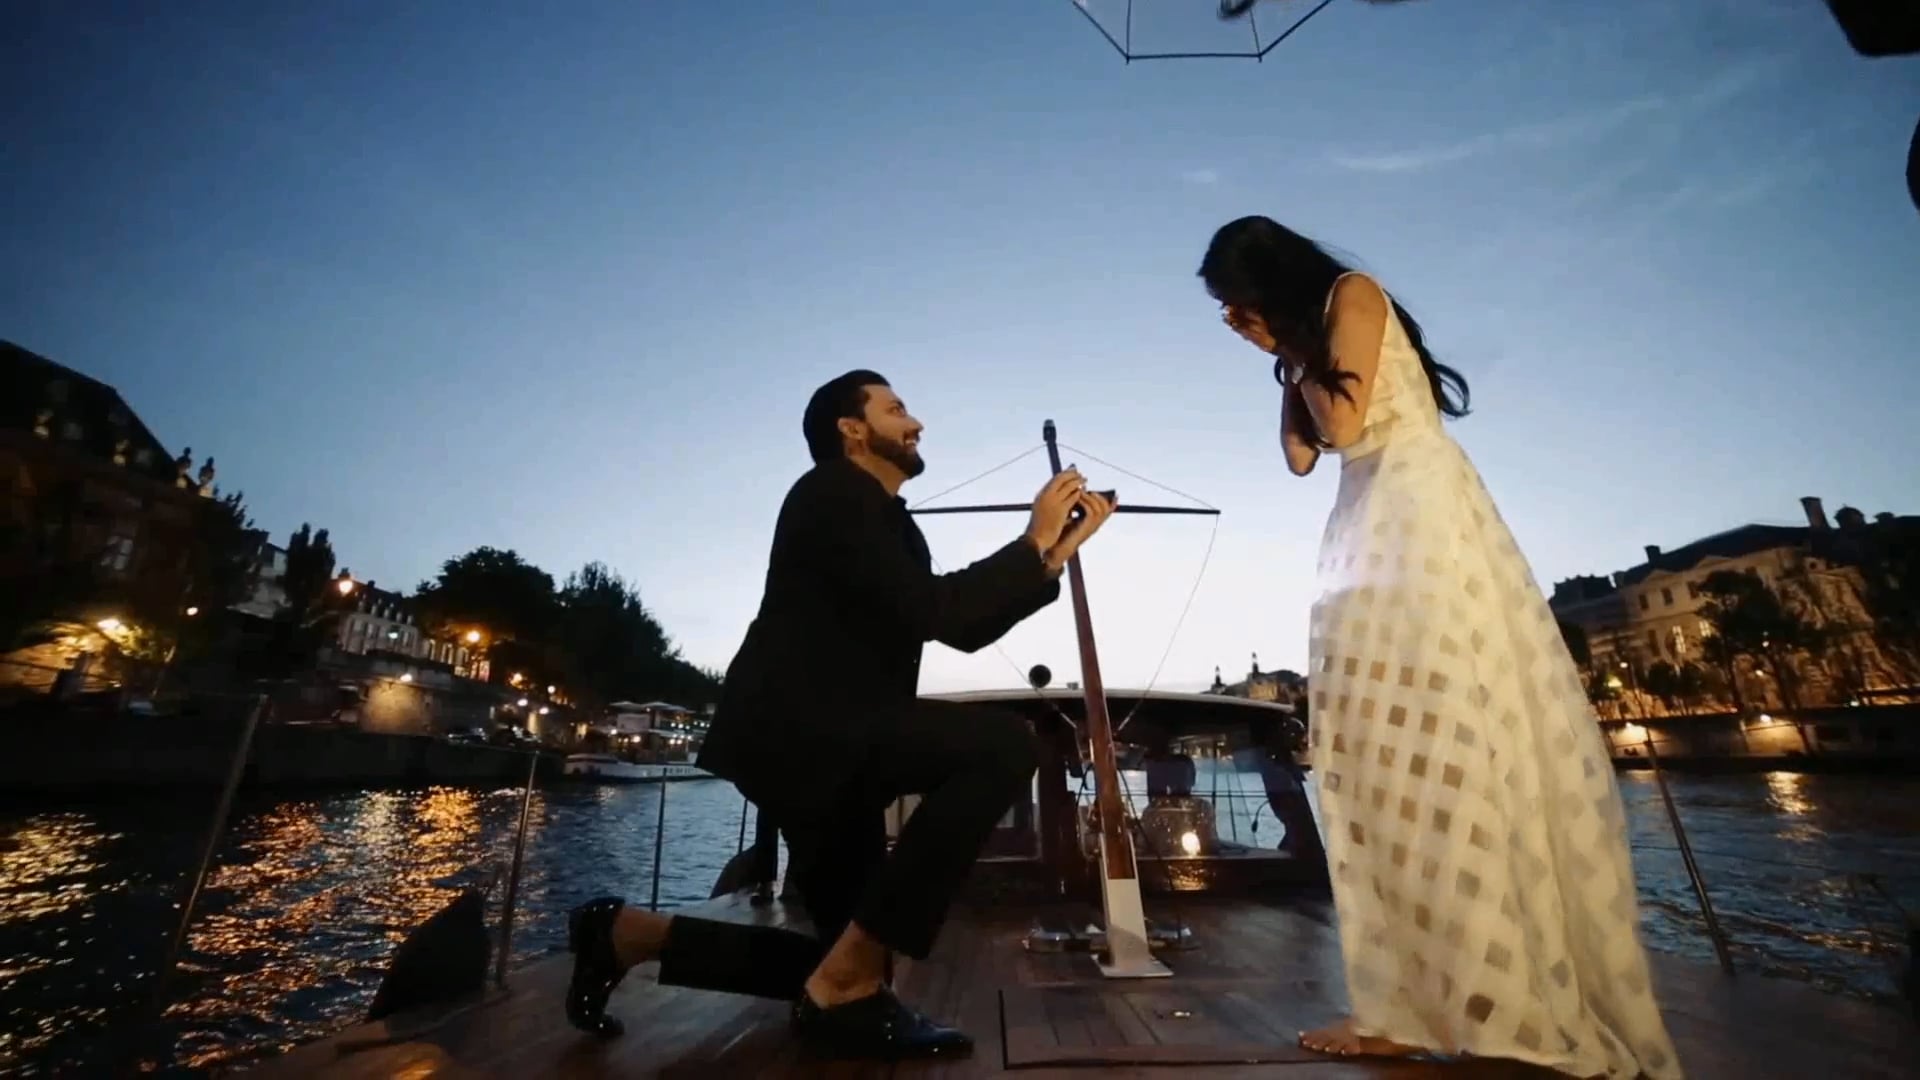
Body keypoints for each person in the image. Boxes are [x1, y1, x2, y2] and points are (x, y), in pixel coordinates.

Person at [1197, 216, 1682, 1078]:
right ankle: (1402, 1001)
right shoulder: (1302, 348)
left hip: (1419, 519)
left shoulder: (1353, 297)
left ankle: (1498, 1001)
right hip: (1366, 523)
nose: (1236, 319)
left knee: (1445, 751)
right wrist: (1283, 357)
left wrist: (1294, 351)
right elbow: (1302, 459)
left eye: (1239, 303)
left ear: (1266, 278)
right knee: (1383, 765)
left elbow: (1344, 427)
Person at [560, 369, 1116, 1060]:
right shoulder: (832, 491)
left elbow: (959, 627)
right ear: (852, 429)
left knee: (848, 961)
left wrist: (1054, 551)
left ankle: (626, 935)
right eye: (896, 408)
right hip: (809, 729)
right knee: (1003, 748)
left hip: (822, 740)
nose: (916, 423)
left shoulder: (887, 522)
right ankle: (842, 987)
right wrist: (1032, 539)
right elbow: (938, 610)